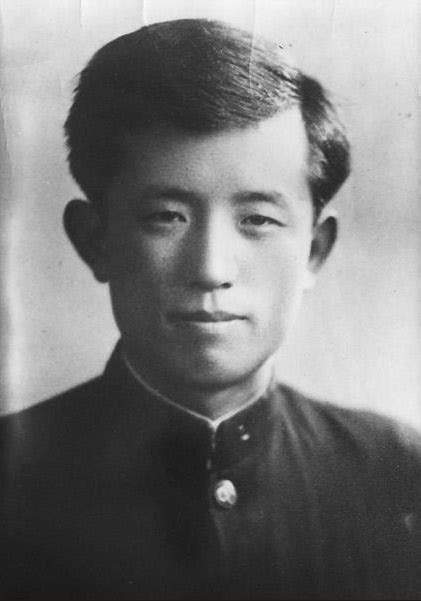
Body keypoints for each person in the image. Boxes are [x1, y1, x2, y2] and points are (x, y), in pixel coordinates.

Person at [0, 18, 420, 600]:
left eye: (258, 219)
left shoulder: (397, 473)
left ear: (314, 251)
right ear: (94, 240)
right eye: (166, 217)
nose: (211, 268)